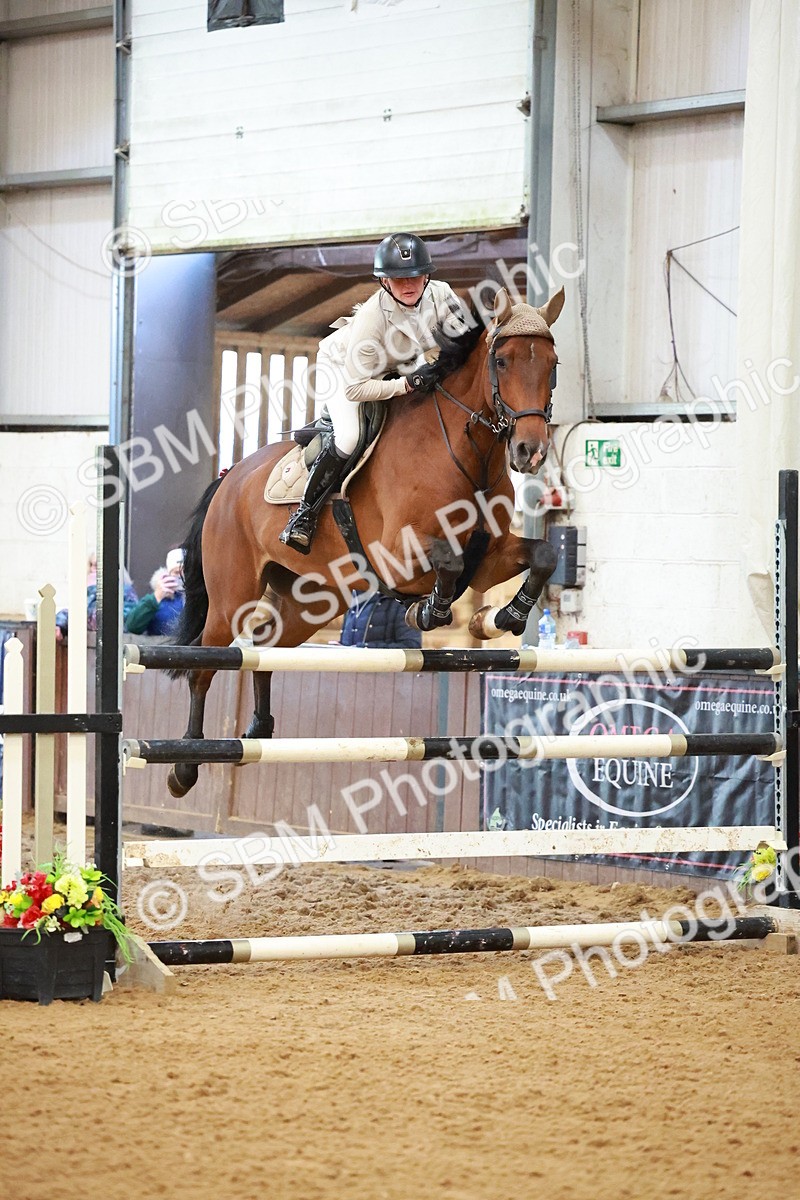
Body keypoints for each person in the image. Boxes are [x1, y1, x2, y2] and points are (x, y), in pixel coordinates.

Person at [279, 232, 467, 553]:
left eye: (415, 276)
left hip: (400, 361)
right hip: (344, 371)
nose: (408, 285)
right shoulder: (372, 316)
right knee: (349, 437)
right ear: (384, 282)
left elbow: (462, 340)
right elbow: (356, 388)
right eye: (397, 279)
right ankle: (304, 516)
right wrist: (405, 385)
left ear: (427, 276)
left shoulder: (442, 294)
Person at [55, 553, 139, 641]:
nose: (92, 569)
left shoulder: (124, 591)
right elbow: (76, 612)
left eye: (97, 565)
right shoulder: (88, 593)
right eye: (91, 565)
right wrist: (60, 624)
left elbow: (127, 617)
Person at [124, 548, 185, 637]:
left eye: (186, 571)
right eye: (177, 572)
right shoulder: (158, 600)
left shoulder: (200, 598)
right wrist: (156, 597)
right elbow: (132, 627)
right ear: (168, 574)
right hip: (162, 648)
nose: (182, 576)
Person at [340, 590, 422, 649]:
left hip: (384, 672)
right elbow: (352, 645)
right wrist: (340, 647)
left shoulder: (400, 601)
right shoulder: (351, 597)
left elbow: (411, 646)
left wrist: (365, 648)